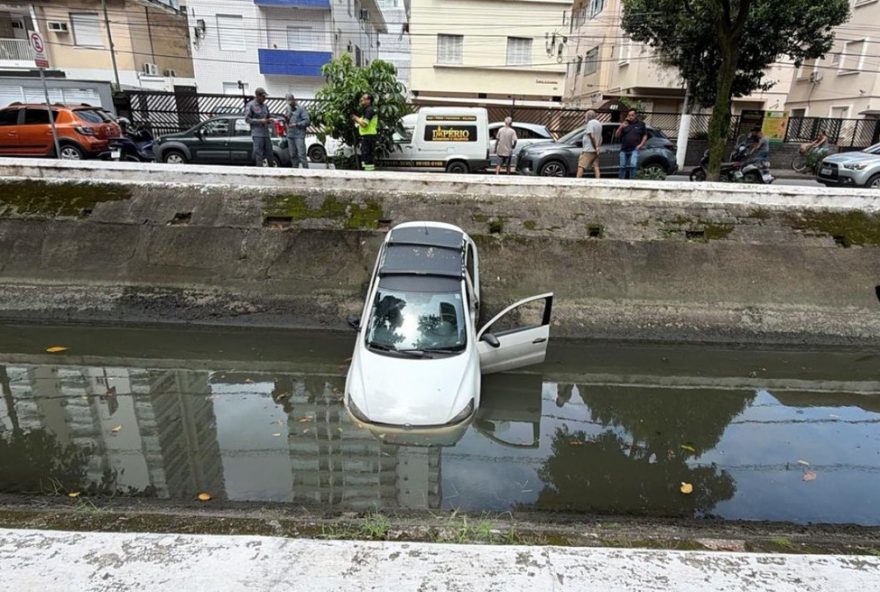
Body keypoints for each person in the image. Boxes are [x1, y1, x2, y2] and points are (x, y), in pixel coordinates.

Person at [614, 108, 647, 179]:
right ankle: (621, 182)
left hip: (635, 149)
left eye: (632, 115)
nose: (631, 117)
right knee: (622, 166)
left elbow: (645, 135)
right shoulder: (625, 124)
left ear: (636, 115)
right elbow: (616, 136)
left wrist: (641, 145)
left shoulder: (641, 124)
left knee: (633, 165)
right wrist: (620, 127)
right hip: (624, 149)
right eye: (629, 115)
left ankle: (632, 182)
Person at [244, 87, 274, 167]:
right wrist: (260, 121)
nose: (265, 99)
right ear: (257, 96)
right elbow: (247, 119)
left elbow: (267, 116)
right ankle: (260, 173)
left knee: (270, 153)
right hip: (257, 134)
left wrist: (269, 120)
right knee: (259, 154)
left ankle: (272, 172)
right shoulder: (250, 105)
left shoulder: (265, 106)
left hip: (266, 133)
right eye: (263, 97)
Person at [351, 93, 378, 171]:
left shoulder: (369, 110)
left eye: (364, 98)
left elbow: (364, 124)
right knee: (366, 155)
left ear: (369, 100)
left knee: (367, 156)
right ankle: (367, 172)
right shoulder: (367, 110)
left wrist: (356, 118)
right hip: (368, 136)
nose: (361, 99)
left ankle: (369, 174)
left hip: (369, 136)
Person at [284, 93, 310, 169]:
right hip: (290, 135)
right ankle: (295, 170)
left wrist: (296, 124)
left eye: (291, 101)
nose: (290, 104)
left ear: (294, 99)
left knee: (301, 154)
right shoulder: (287, 108)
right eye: (288, 102)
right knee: (292, 155)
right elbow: (287, 118)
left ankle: (306, 171)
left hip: (299, 135)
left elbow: (307, 121)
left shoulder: (301, 108)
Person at [577, 110, 603, 179]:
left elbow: (592, 135)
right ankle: (598, 181)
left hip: (589, 149)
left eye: (585, 116)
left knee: (581, 166)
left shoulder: (590, 123)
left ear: (588, 116)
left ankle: (576, 181)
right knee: (595, 166)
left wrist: (595, 146)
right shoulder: (599, 123)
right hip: (595, 150)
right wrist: (598, 147)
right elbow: (600, 137)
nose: (584, 118)